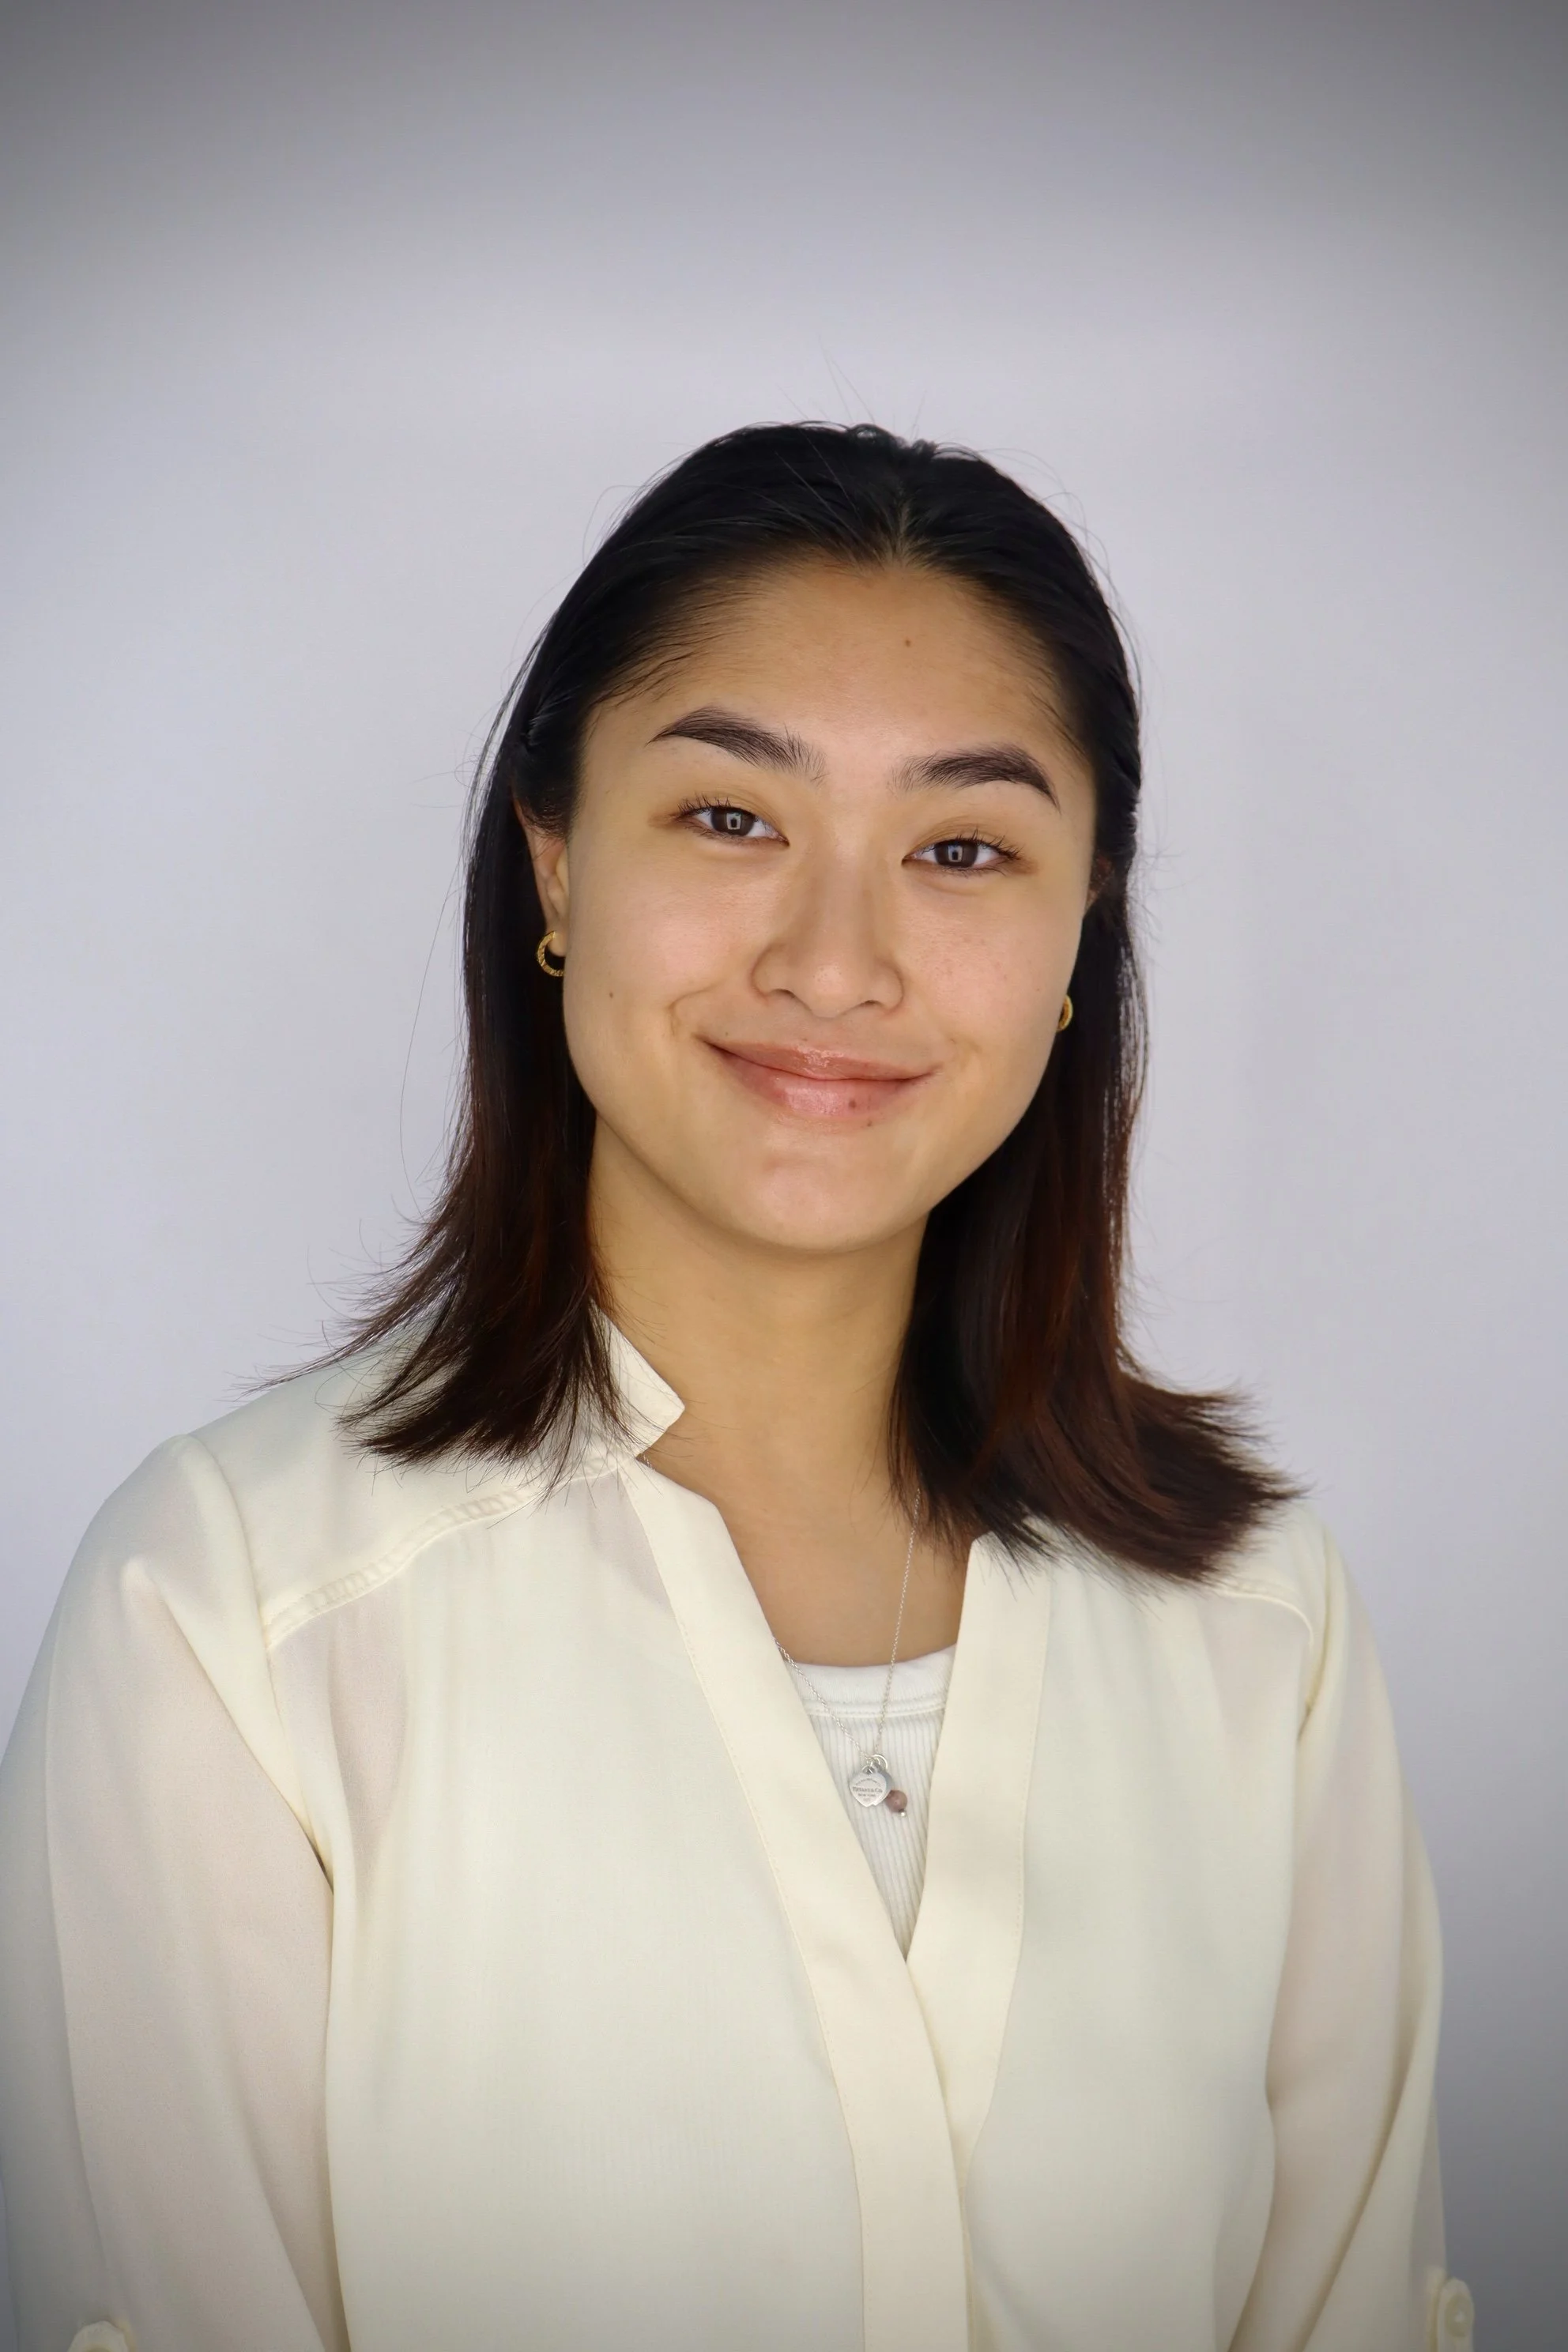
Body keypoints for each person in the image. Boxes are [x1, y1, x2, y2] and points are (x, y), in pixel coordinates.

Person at [0, 423, 1474, 2352]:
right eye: (727, 819)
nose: (834, 962)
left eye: (960, 848)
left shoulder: (1253, 1625)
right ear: (554, 858)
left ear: (1074, 932)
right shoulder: (230, 1620)